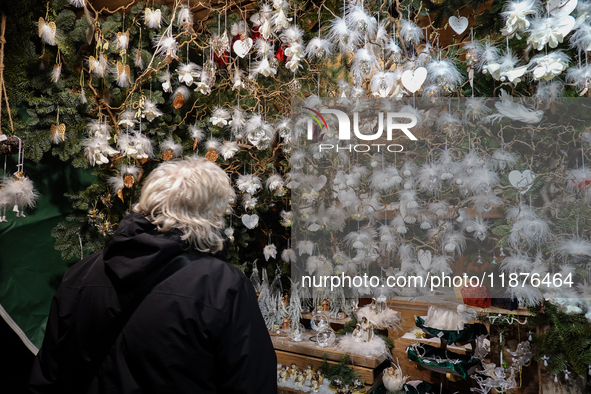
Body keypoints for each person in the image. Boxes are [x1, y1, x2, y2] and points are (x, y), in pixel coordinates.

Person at [28, 156, 277, 394]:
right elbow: (252, 384)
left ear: (148, 200)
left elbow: (47, 377)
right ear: (211, 213)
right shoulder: (223, 286)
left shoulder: (81, 273)